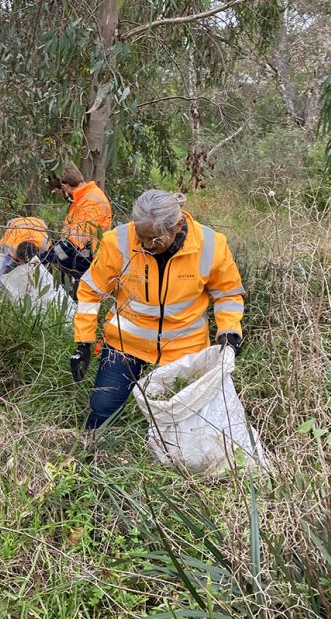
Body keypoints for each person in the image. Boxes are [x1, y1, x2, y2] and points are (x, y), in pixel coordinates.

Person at [70, 189, 244, 430]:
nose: (146, 245)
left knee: (188, 418)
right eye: (141, 237)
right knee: (102, 407)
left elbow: (227, 293)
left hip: (186, 349)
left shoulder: (211, 245)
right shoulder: (117, 242)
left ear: (178, 225)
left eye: (155, 239)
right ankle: (89, 454)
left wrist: (230, 331)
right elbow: (91, 291)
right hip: (125, 345)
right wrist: (84, 341)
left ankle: (172, 463)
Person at [47, 163, 112, 291]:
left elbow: (75, 242)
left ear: (65, 187)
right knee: (54, 252)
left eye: (61, 191)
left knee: (53, 256)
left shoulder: (91, 202)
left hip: (90, 259)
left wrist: (43, 257)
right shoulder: (82, 198)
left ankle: (70, 296)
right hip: (83, 253)